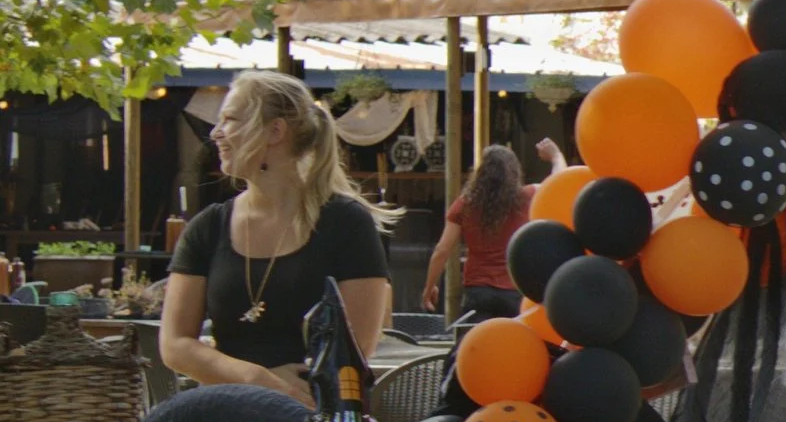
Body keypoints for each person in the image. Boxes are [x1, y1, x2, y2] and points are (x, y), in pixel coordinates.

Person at [163, 71, 395, 405]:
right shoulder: (207, 227)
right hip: (222, 415)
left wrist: (283, 395)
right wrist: (258, 379)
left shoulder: (345, 224)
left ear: (275, 131)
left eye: (229, 120)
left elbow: (353, 350)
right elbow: (174, 345)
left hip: (317, 417)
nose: (215, 133)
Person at [423, 140, 565, 319]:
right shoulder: (527, 197)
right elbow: (558, 182)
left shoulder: (464, 205)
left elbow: (442, 250)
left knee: (472, 345)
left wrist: (429, 287)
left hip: (478, 291)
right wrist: (556, 155)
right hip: (515, 291)